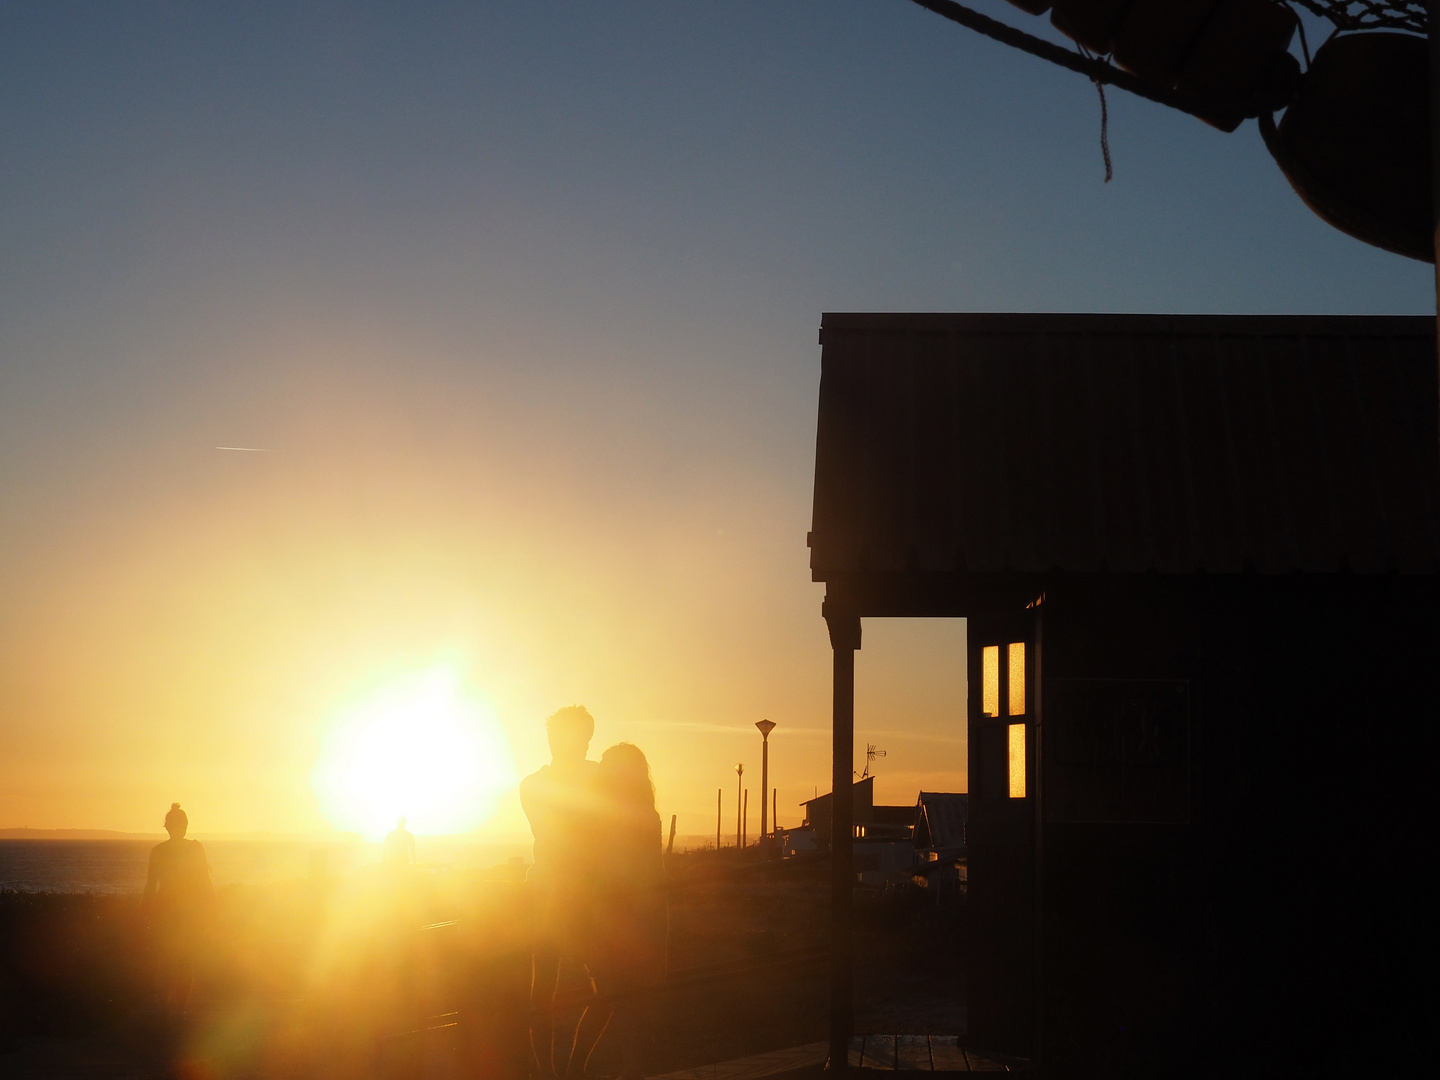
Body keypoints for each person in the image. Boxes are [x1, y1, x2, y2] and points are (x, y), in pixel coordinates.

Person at [566, 742, 668, 1080]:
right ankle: (610, 1070)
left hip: (627, 921)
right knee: (623, 1006)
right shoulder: (630, 816)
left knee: (613, 1003)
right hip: (623, 921)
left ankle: (574, 1070)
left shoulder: (609, 816)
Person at [520, 706, 601, 1080]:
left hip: (587, 891)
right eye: (578, 738)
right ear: (555, 740)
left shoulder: (597, 777)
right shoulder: (534, 784)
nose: (584, 746)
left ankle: (573, 1068)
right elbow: (558, 834)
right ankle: (549, 1074)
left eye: (587, 739)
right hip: (551, 892)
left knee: (610, 985)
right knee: (543, 992)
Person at [140, 803, 215, 1022]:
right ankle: (178, 1009)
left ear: (167, 827)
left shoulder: (159, 851)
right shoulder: (194, 849)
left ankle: (166, 1007)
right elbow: (205, 881)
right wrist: (212, 908)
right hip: (186, 912)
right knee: (183, 962)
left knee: (167, 961)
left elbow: (150, 886)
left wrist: (143, 914)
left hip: (165, 911)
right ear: (183, 826)